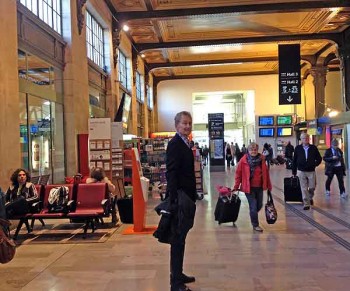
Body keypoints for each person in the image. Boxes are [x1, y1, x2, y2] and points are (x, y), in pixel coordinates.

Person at [166, 111, 197, 291]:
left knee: (181, 238)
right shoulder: (175, 144)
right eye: (184, 123)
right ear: (176, 125)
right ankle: (175, 283)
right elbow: (171, 172)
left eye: (189, 123)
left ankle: (178, 274)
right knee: (177, 240)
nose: (187, 126)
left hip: (187, 197)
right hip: (180, 198)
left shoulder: (185, 143)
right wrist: (174, 198)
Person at [233, 142, 272, 232]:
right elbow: (238, 174)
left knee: (259, 205)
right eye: (251, 150)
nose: (253, 151)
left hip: (259, 187)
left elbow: (266, 174)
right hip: (248, 188)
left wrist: (268, 185)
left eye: (255, 150)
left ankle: (253, 213)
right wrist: (236, 186)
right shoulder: (243, 161)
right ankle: (255, 224)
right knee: (253, 206)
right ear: (248, 150)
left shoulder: (262, 160)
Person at [292, 133, 322, 210]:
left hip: (311, 171)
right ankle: (306, 203)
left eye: (306, 138)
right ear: (301, 140)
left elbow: (319, 158)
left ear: (309, 139)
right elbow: (294, 161)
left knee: (312, 187)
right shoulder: (297, 148)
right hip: (301, 171)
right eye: (303, 138)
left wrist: (314, 164)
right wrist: (294, 172)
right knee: (304, 188)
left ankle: (309, 197)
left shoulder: (313, 148)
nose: (305, 140)